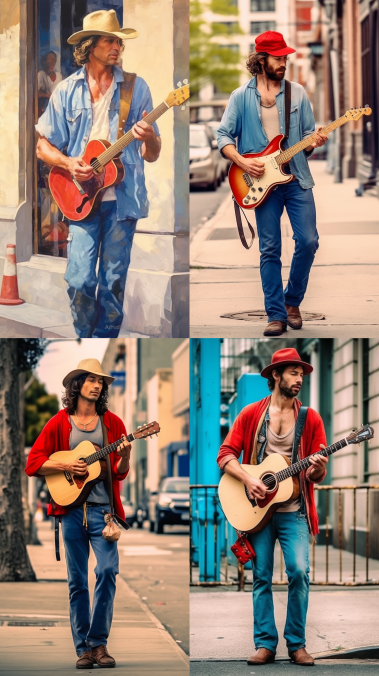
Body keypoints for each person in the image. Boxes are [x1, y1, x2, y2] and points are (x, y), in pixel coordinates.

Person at [35, 10, 161, 338]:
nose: (117, 46)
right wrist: (67, 163)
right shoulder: (66, 91)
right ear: (90, 46)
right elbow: (42, 148)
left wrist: (148, 137)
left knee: (113, 283)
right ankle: (84, 336)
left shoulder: (136, 88)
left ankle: (103, 339)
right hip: (80, 199)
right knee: (79, 280)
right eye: (110, 40)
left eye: (120, 40)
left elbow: (152, 154)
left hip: (122, 200)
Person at [217, 348, 328, 666]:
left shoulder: (311, 418)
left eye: (302, 374)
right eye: (294, 372)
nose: (300, 379)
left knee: (298, 572)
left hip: (294, 510)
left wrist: (317, 467)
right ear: (275, 375)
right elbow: (225, 454)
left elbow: (316, 475)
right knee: (261, 576)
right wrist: (247, 479)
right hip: (258, 514)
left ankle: (297, 644)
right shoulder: (252, 414)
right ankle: (265, 644)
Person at [217, 31, 328, 337]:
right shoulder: (240, 97)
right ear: (261, 60)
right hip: (260, 183)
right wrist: (241, 161)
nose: (284, 63)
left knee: (308, 241)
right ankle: (276, 314)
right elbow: (222, 136)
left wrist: (314, 141)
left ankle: (292, 301)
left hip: (296, 178)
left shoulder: (298, 93)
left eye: (285, 58)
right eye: (278, 58)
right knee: (270, 249)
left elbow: (306, 137)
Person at [25, 358, 132, 669]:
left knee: (107, 571)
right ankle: (83, 648)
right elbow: (34, 463)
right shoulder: (60, 422)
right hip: (69, 511)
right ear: (77, 385)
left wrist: (124, 456)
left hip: (103, 512)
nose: (98, 385)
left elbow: (119, 472)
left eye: (101, 381)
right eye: (91, 380)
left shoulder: (113, 424)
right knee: (77, 581)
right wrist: (65, 464)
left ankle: (99, 643)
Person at [37, 51, 63, 116]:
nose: (52, 61)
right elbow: (35, 94)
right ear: (45, 61)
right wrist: (47, 95)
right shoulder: (41, 74)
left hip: (58, 108)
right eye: (50, 58)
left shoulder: (59, 75)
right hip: (45, 109)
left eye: (54, 59)